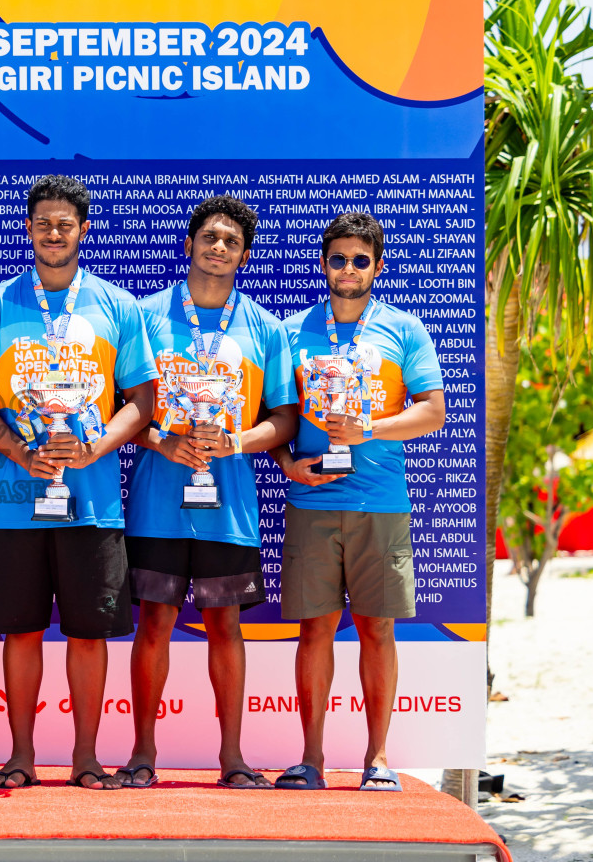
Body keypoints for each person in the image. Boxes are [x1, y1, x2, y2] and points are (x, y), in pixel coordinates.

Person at [0, 174, 155, 791]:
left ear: (83, 230)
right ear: (29, 229)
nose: (53, 233)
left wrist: (96, 446)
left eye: (65, 223)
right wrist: (17, 448)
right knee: (22, 630)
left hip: (94, 506)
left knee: (90, 635)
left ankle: (86, 758)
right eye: (43, 223)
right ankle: (20, 756)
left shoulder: (117, 306)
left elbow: (142, 400)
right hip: (17, 502)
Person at [119, 196, 297, 790]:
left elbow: (286, 419)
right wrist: (161, 442)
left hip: (230, 510)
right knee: (154, 624)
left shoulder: (265, 328)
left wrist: (238, 442)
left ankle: (233, 758)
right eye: (209, 236)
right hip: (155, 502)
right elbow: (120, 409)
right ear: (191, 242)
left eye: (231, 241)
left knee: (226, 626)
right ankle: (143, 753)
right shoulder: (143, 317)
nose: (218, 247)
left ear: (243, 255)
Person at [270, 212, 445, 791]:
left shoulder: (405, 329)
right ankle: (311, 759)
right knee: (314, 631)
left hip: (380, 504)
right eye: (338, 258)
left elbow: (432, 412)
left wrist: (368, 428)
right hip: (313, 502)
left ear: (378, 265)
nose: (348, 269)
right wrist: (286, 463)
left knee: (377, 630)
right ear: (324, 265)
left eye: (360, 259)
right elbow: (280, 419)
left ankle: (378, 759)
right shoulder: (292, 332)